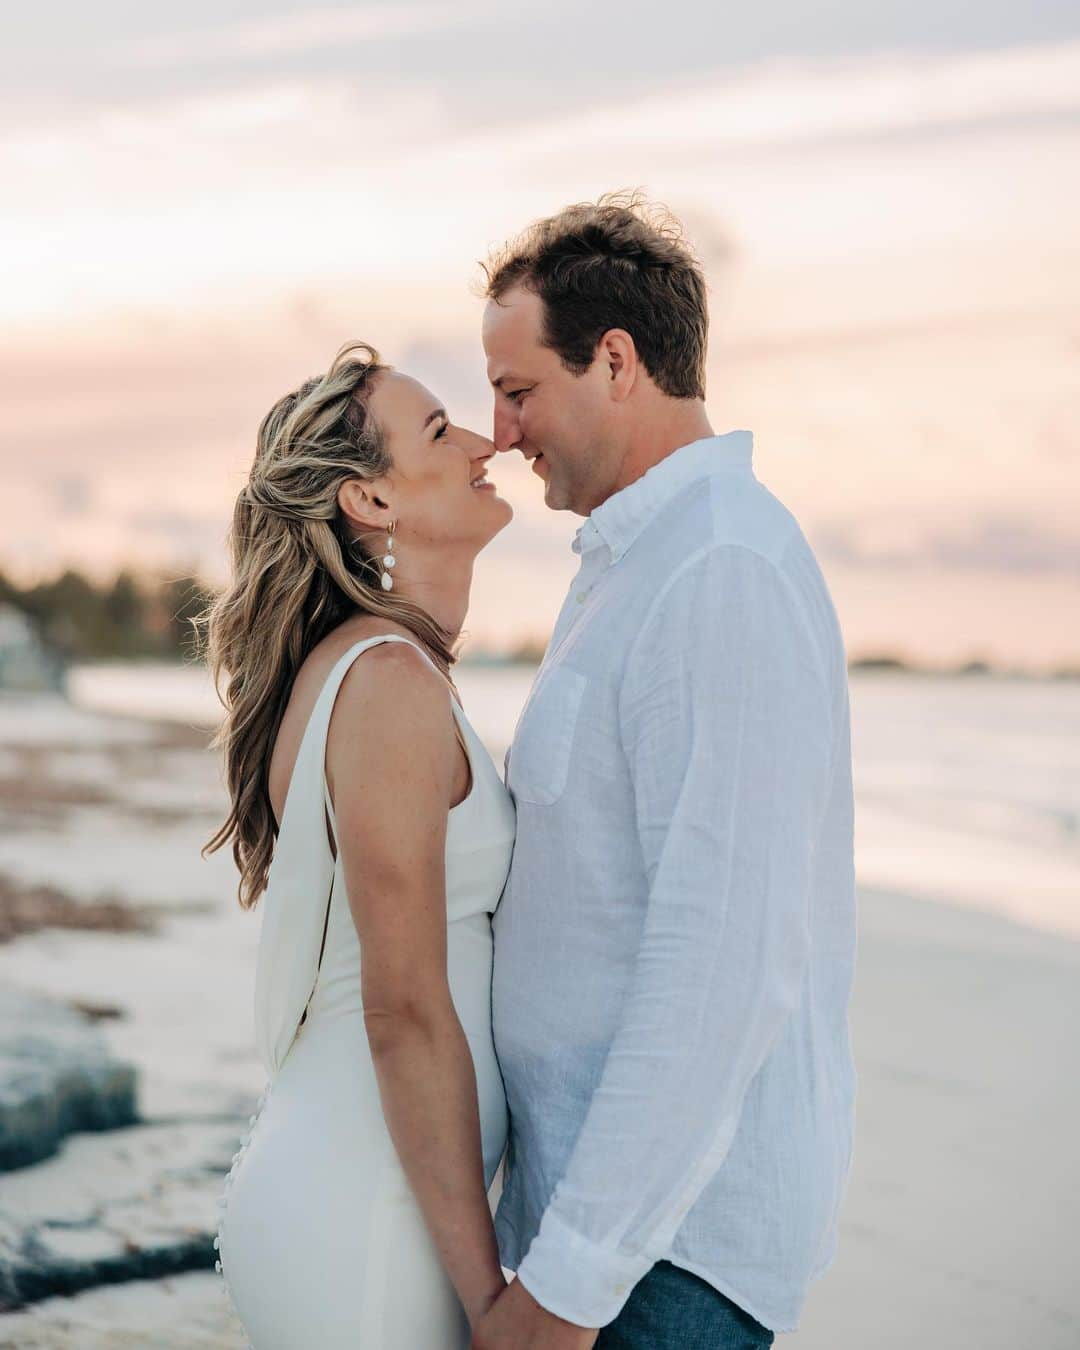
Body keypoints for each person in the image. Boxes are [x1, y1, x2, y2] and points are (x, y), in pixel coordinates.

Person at [471, 194, 857, 1350]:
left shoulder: (720, 570)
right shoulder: (634, 565)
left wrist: (570, 1285)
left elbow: (722, 960)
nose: (499, 430)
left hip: (661, 1257)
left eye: (520, 388)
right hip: (598, 1227)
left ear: (619, 361)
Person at [204, 342, 517, 1347]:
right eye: (438, 429)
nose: (483, 441)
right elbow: (406, 1012)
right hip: (369, 1221)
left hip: (372, 1194)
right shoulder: (385, 683)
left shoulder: (386, 672)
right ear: (369, 502)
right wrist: (490, 1301)